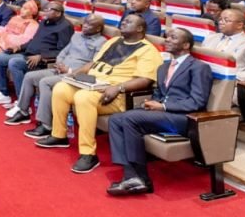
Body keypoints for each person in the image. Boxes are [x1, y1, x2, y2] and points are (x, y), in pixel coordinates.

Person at [37, 14, 162, 174]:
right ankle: (59, 135)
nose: (123, 22)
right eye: (123, 20)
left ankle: (88, 153)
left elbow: (145, 80)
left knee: (83, 97)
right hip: (93, 84)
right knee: (61, 88)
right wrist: (74, 73)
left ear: (139, 29)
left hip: (118, 94)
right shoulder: (113, 41)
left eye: (128, 22)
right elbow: (94, 64)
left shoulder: (148, 51)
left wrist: (118, 88)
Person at [106, 28, 213, 196]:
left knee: (129, 119)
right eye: (167, 37)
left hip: (184, 118)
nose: (167, 40)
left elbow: (197, 102)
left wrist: (163, 107)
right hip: (162, 115)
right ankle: (133, 175)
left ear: (186, 45)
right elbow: (158, 95)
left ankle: (137, 177)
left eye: (173, 38)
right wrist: (151, 103)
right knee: (116, 119)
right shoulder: (163, 67)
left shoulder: (199, 67)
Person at [11, 14, 108, 132]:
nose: (85, 26)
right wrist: (59, 64)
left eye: (89, 24)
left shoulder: (102, 42)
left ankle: (46, 125)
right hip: (59, 69)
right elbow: (63, 52)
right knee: (29, 76)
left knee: (45, 82)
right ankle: (23, 111)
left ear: (98, 29)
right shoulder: (76, 36)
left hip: (76, 76)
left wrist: (70, 71)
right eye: (85, 23)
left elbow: (94, 64)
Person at [0, 0, 73, 109]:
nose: (44, 12)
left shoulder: (65, 27)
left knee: (15, 63)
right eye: (45, 9)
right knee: (0, 57)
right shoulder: (45, 22)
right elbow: (34, 41)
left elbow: (63, 50)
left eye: (48, 10)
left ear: (58, 13)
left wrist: (42, 56)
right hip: (28, 53)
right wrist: (18, 47)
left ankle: (21, 103)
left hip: (43, 60)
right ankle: (3, 94)